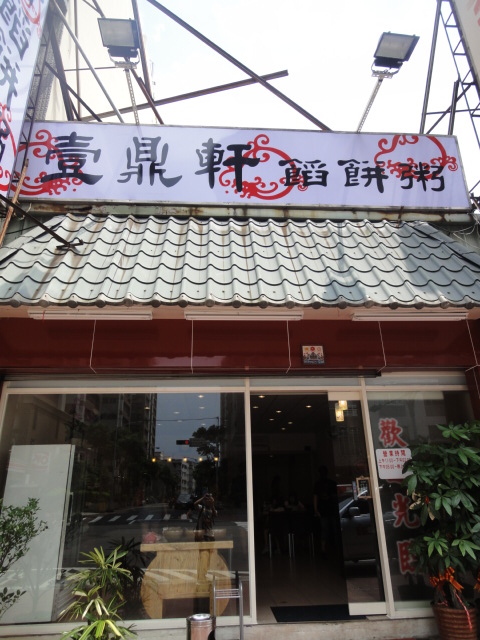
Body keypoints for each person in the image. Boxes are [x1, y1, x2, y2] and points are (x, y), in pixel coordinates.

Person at [313, 465, 338, 554]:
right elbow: (316, 497)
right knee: (330, 529)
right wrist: (316, 509)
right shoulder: (330, 483)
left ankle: (325, 548)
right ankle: (329, 548)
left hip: (327, 510)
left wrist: (316, 509)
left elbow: (315, 497)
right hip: (327, 510)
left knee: (326, 529)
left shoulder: (320, 484)